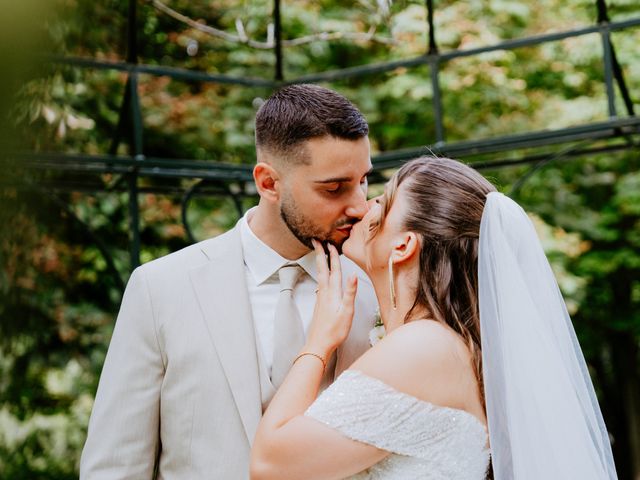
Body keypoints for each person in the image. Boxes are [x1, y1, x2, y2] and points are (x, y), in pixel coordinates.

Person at [250, 156, 618, 479]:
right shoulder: (453, 347)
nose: (364, 207)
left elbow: (270, 465)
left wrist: (319, 341)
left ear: (404, 245)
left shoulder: (421, 348)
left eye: (383, 200)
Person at [80, 84, 379, 479]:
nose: (359, 204)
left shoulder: (379, 289)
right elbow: (114, 467)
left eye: (363, 181)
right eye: (334, 188)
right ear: (268, 183)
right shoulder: (161, 289)